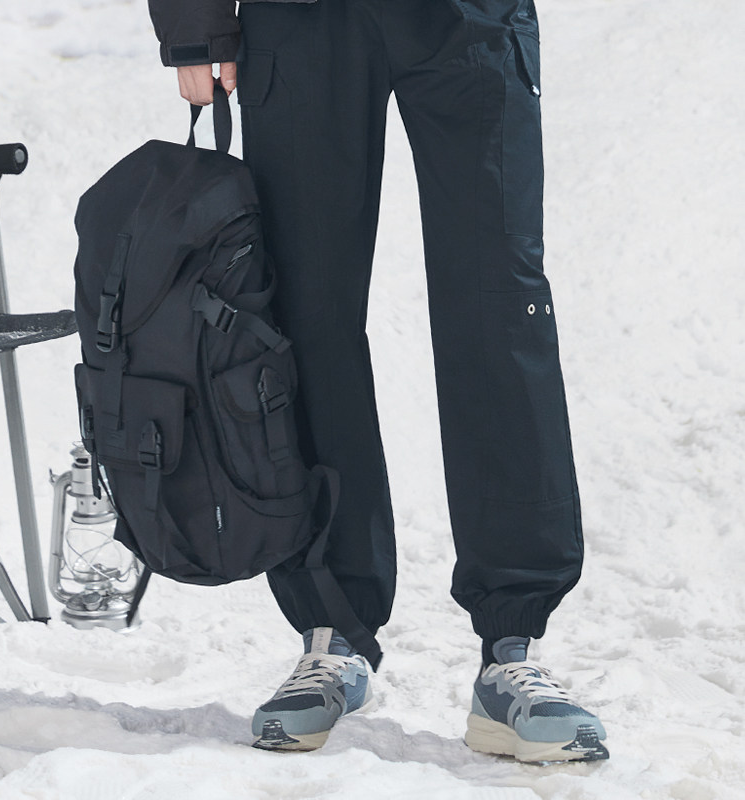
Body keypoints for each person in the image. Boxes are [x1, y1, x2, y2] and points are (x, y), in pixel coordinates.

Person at [148, 0, 608, 762]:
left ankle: (513, 644)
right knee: (304, 315)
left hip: (469, 17)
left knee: (502, 312)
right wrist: (193, 22)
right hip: (302, 21)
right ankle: (332, 628)